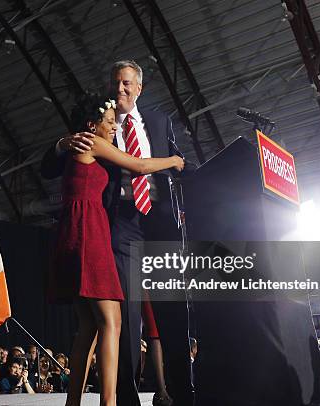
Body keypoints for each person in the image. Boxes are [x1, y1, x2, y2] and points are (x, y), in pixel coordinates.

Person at [41, 60, 193, 405]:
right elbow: (136, 165)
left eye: (126, 84)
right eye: (115, 84)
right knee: (121, 318)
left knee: (165, 313)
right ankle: (122, 398)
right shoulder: (95, 133)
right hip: (114, 226)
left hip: (158, 222)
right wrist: (63, 143)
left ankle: (182, 393)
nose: (120, 90)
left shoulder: (157, 120)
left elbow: (179, 161)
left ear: (139, 87)